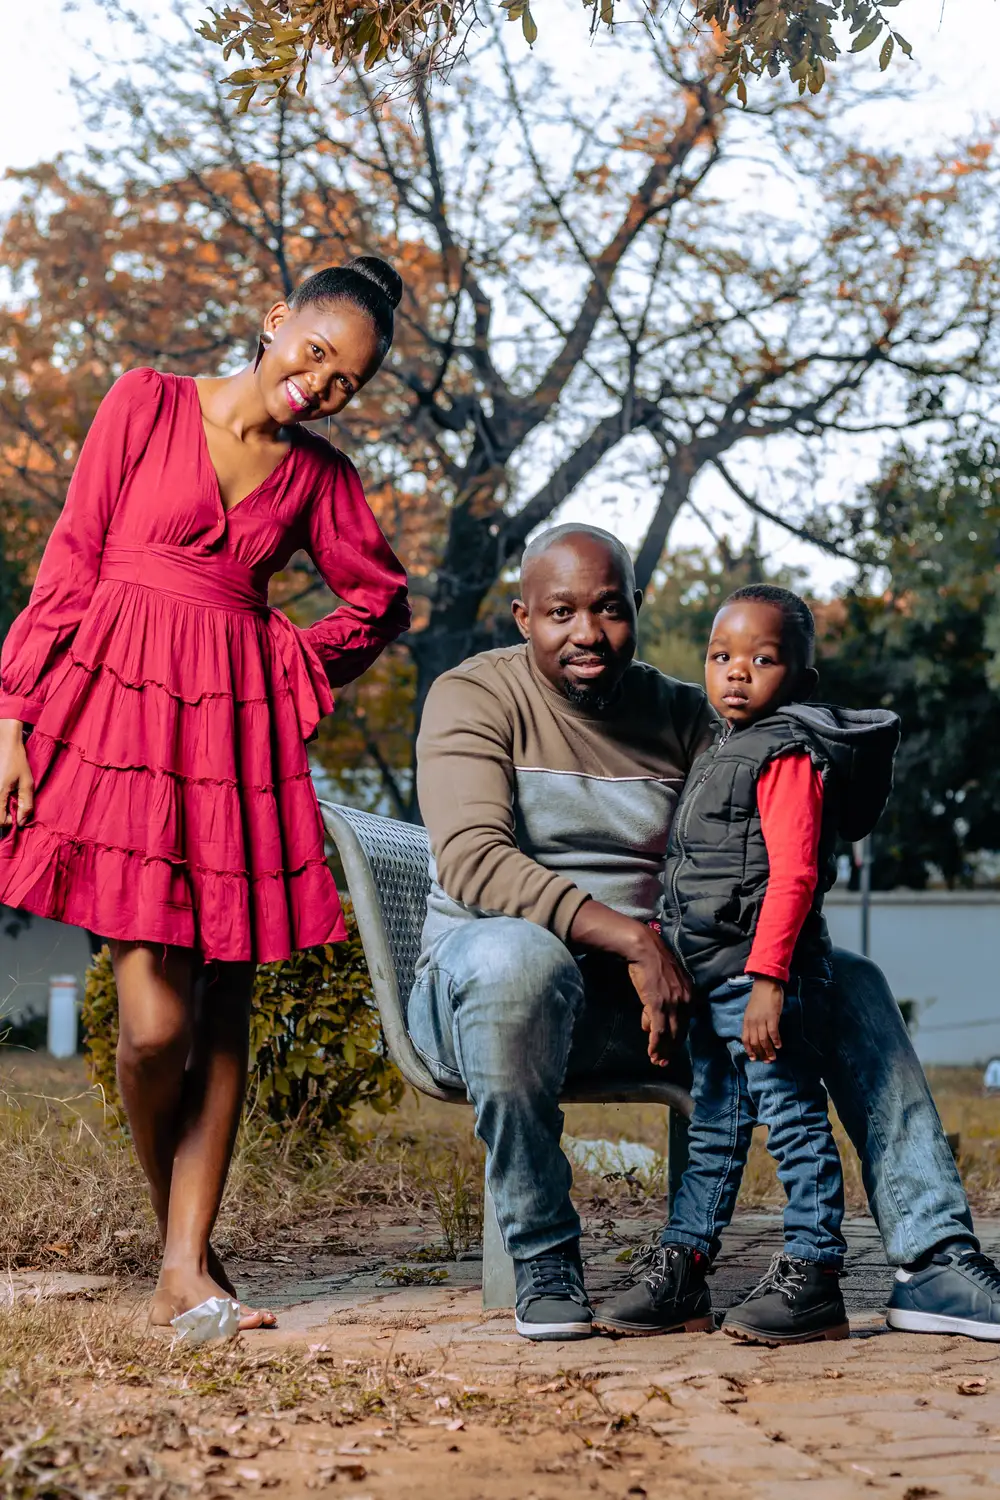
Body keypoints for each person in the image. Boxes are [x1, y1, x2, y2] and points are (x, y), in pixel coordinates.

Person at [409, 523, 1000, 1343]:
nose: (588, 633)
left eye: (610, 610)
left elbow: (764, 850)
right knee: (519, 958)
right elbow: (475, 861)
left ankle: (934, 1255)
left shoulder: (689, 717)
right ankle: (544, 1254)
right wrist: (636, 940)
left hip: (660, 1003)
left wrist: (755, 965)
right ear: (521, 617)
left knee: (848, 979)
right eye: (560, 613)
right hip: (489, 998)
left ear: (637, 612)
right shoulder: (475, 697)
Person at [0, 257, 411, 1330]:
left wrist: (286, 662)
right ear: (276, 324)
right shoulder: (144, 402)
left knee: (222, 1000)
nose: (321, 386)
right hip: (120, 717)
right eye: (315, 355)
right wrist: (11, 716)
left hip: (232, 731)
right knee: (151, 1029)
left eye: (346, 383)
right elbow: (73, 557)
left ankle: (184, 1262)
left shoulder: (319, 478)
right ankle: (180, 1236)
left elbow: (377, 601)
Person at [596, 585, 899, 1344]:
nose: (736, 673)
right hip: (711, 977)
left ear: (800, 679)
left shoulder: (786, 754)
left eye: (762, 660)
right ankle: (685, 1269)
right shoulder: (721, 749)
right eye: (720, 656)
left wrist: (769, 982)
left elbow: (794, 876)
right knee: (715, 1130)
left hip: (763, 980)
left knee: (792, 1119)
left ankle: (814, 1276)